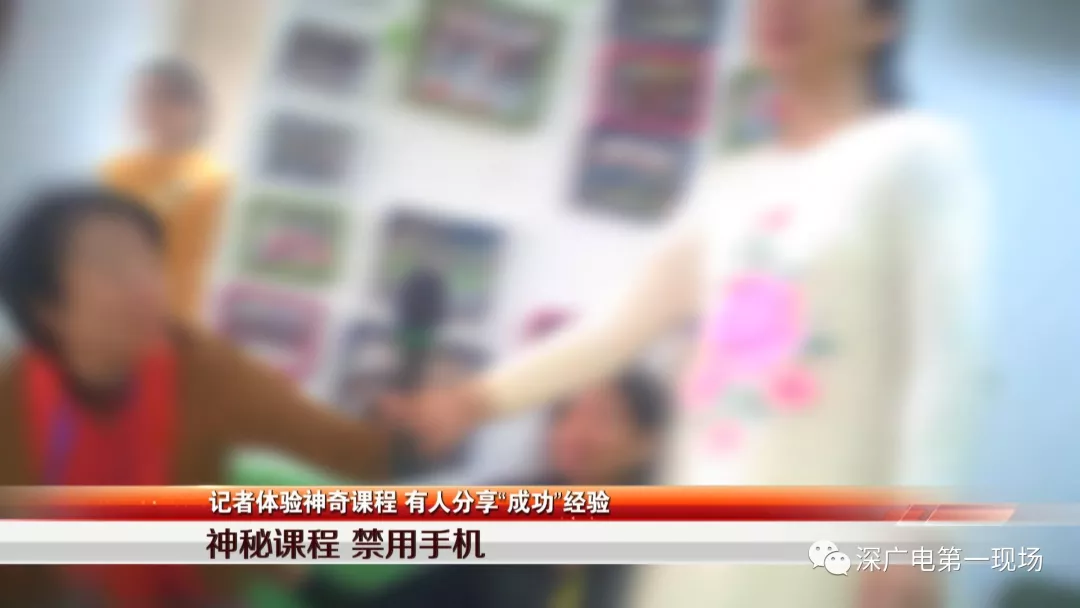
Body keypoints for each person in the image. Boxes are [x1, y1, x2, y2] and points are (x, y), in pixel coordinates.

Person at [408, 0, 986, 606]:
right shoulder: (728, 185)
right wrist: (477, 399)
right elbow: (614, 329)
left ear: (882, 22)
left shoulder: (919, 153)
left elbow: (949, 359)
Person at [0, 185, 390, 607]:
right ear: (47, 308)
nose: (147, 286)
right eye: (112, 268)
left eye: (149, 262)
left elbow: (344, 445)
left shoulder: (200, 366)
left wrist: (406, 425)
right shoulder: (12, 401)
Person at [102, 58, 228, 322]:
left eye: (163, 98)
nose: (150, 108)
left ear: (193, 107)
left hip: (175, 318)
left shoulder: (215, 181)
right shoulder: (114, 171)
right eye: (143, 98)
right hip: (110, 310)